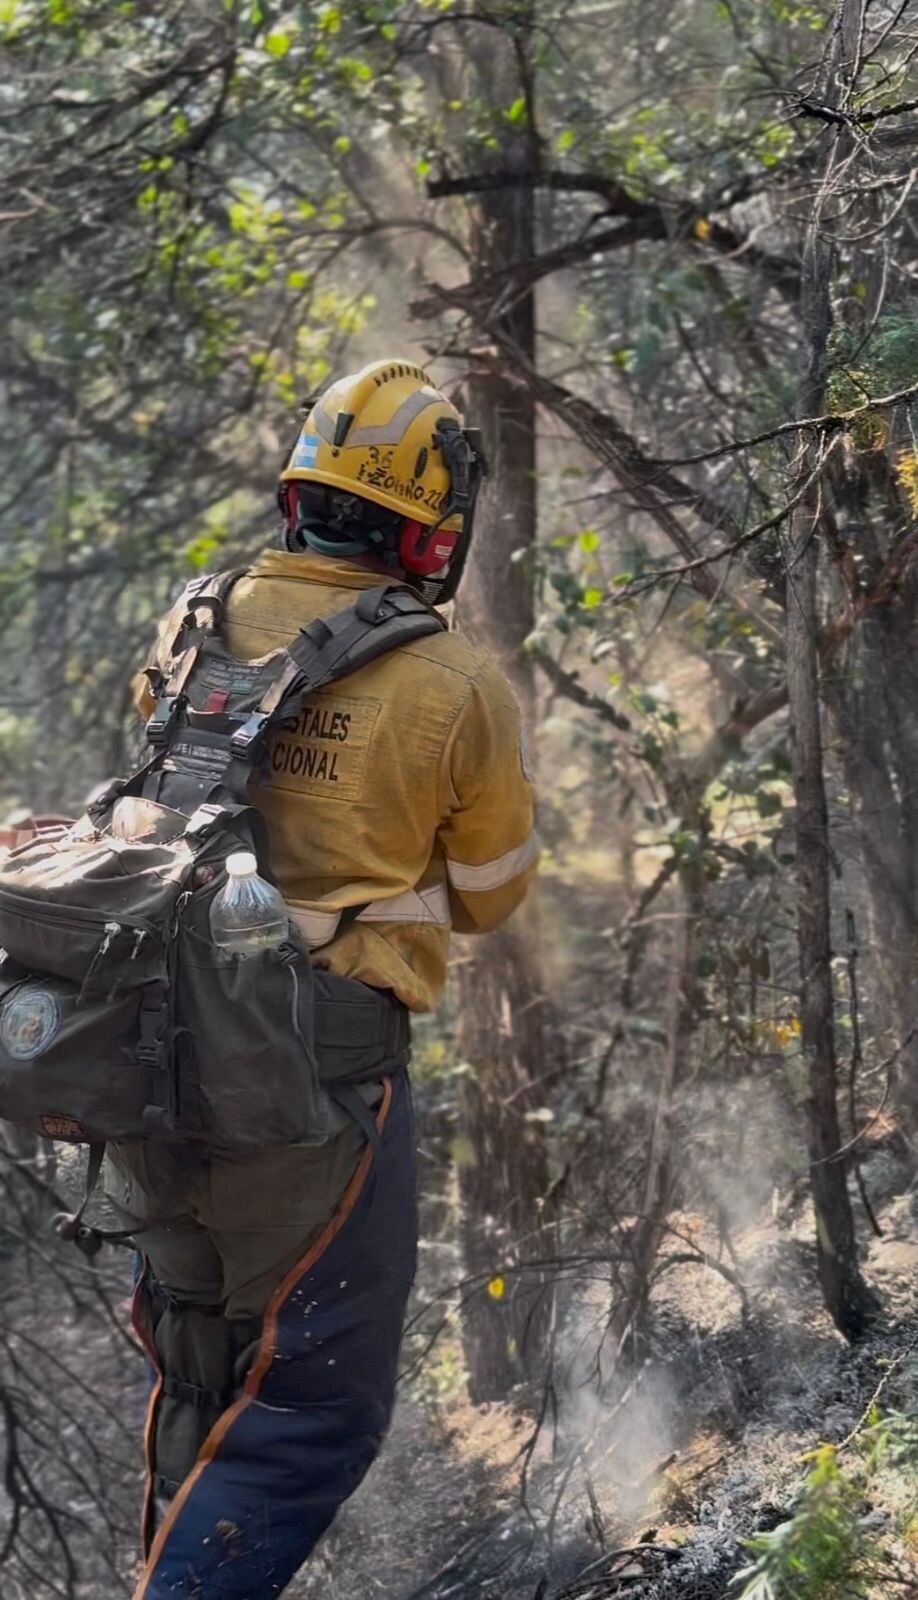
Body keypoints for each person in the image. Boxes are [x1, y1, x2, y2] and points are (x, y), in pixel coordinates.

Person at [106, 358, 538, 1600]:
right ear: (428, 529)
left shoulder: (195, 620)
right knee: (307, 1413)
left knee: (201, 1363)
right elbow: (493, 889)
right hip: (313, 1082)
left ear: (301, 493)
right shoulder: (455, 681)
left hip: (149, 1058)